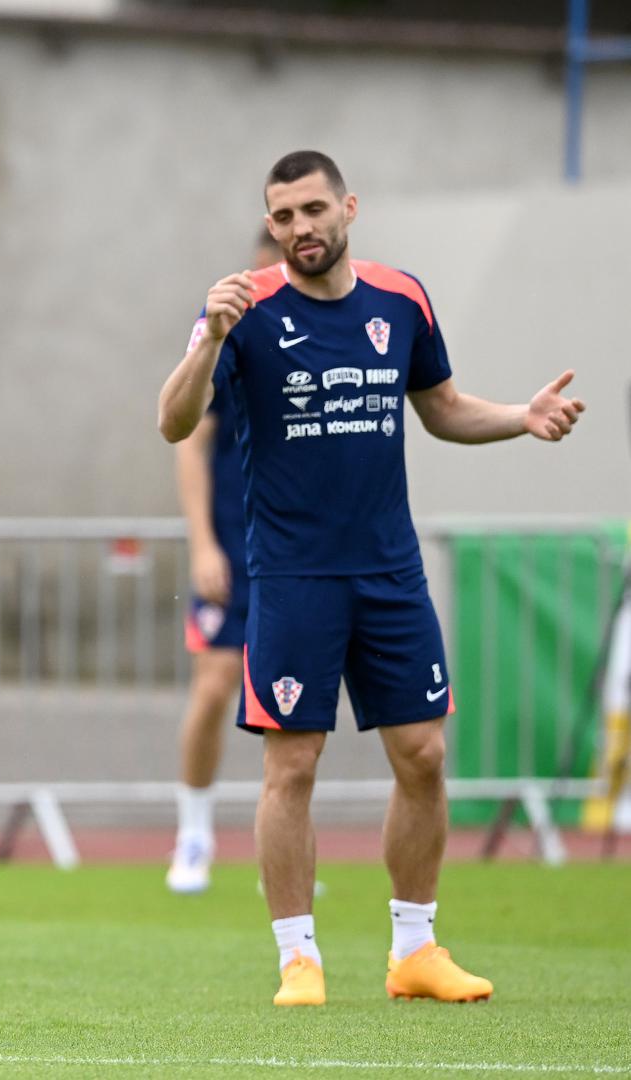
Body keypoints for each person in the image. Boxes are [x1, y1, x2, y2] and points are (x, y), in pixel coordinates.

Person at [157, 150, 585, 1007]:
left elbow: (442, 409)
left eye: (313, 210)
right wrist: (209, 338)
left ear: (347, 207)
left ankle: (414, 950)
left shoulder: (401, 298)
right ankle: (297, 959)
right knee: (293, 765)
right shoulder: (241, 307)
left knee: (422, 755)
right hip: (291, 576)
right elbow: (172, 423)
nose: (300, 228)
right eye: (283, 217)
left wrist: (521, 416)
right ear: (270, 225)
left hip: (390, 572)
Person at [166, 228, 279, 895]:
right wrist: (203, 543)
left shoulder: (328, 327)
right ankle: (193, 833)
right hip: (233, 545)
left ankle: (281, 847)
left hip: (295, 550)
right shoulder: (222, 325)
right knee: (214, 687)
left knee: (291, 700)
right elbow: (188, 439)